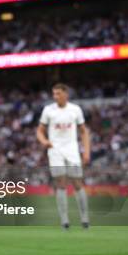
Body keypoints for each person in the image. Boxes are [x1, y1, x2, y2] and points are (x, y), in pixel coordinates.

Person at [37, 83, 90, 229]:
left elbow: (84, 131)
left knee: (77, 183)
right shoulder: (48, 110)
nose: (56, 97)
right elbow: (40, 130)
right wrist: (44, 141)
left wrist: (86, 151)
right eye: (54, 94)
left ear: (66, 94)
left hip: (72, 150)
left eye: (58, 93)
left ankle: (85, 219)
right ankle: (64, 221)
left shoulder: (75, 110)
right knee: (60, 184)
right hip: (55, 151)